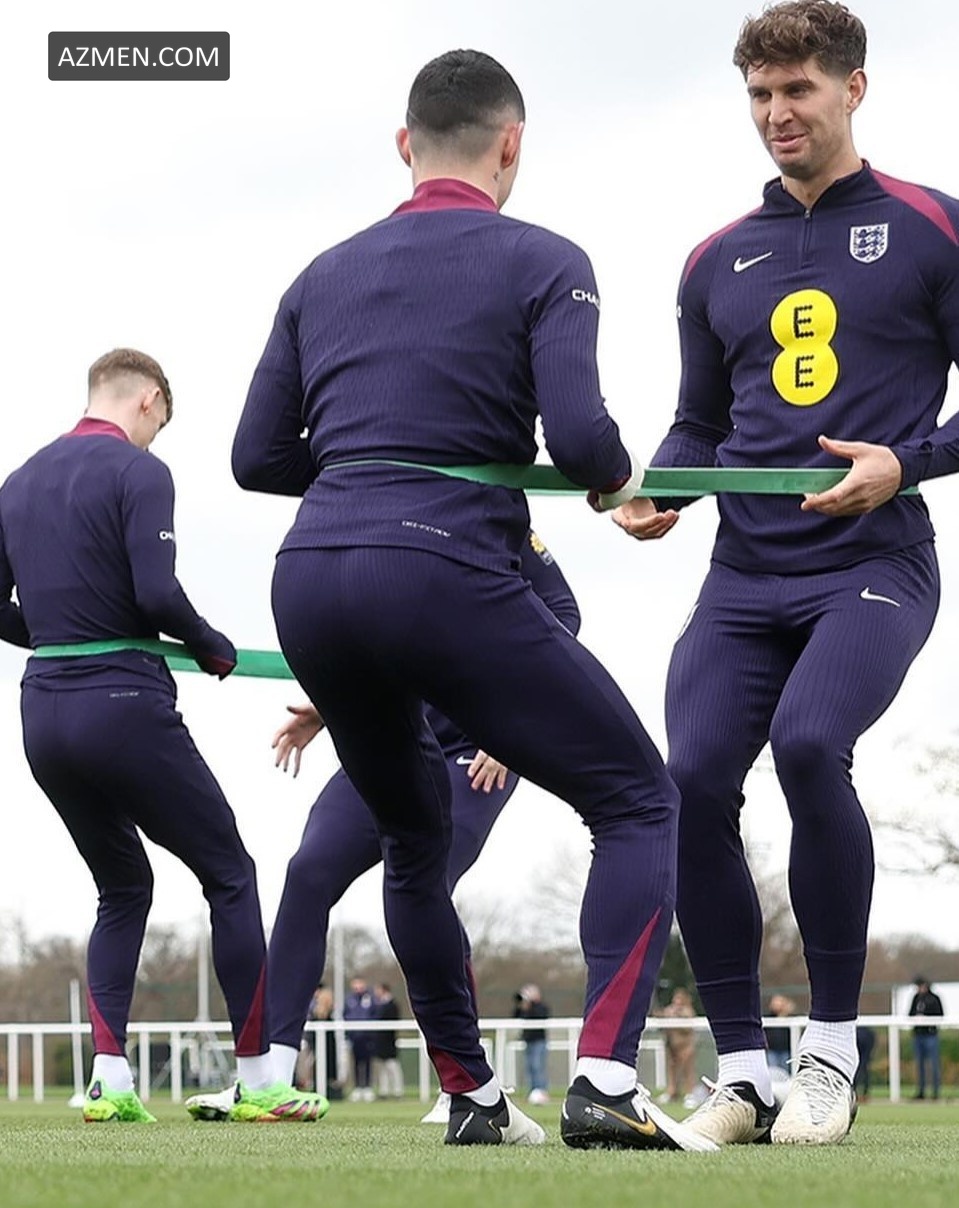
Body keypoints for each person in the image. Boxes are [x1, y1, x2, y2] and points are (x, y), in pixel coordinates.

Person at [231, 49, 714, 1152]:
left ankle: (473, 1096)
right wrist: (617, 486)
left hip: (308, 574)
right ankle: (604, 1079)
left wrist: (366, 466)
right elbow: (581, 439)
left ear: (405, 145)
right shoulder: (544, 258)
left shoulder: (319, 273)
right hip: (442, 568)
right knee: (639, 801)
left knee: (413, 839)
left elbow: (255, 457)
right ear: (511, 145)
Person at [612, 0, 959, 1147]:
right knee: (692, 776)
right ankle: (745, 1072)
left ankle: (829, 1051)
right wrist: (660, 484)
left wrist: (905, 460)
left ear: (851, 87)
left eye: (797, 88)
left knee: (809, 743)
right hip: (742, 574)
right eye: (759, 94)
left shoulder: (931, 227)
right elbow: (698, 421)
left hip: (872, 562)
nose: (776, 112)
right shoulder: (712, 258)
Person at [0, 349, 327, 1124]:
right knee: (230, 873)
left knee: (122, 888)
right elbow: (155, 591)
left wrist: (64, 635)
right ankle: (260, 1080)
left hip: (43, 712)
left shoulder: (17, 482)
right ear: (148, 399)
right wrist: (211, 646)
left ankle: (109, 1083)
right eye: (160, 424)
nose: (156, 438)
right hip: (122, 704)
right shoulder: (138, 471)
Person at [185, 529, 583, 1127]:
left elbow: (564, 614)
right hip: (393, 740)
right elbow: (375, 634)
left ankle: (466, 1083)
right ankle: (270, 1079)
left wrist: (514, 726)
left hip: (474, 756)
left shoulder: (498, 519)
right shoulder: (380, 518)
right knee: (308, 872)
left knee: (426, 885)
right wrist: (329, 708)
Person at [659, 987, 697, 1106]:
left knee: (688, 1072)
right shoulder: (669, 1010)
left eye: (679, 999)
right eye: (675, 999)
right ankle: (672, 1092)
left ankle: (690, 1094)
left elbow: (688, 1028)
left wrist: (678, 1016)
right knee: (672, 1071)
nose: (677, 1001)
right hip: (672, 1047)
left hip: (686, 1047)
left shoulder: (687, 1011)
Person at [514, 984, 551, 1105]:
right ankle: (532, 1092)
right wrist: (522, 1006)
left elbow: (542, 1015)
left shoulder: (541, 1007)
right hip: (528, 1041)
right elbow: (516, 1017)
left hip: (539, 1041)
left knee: (537, 1066)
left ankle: (542, 1092)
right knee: (530, 1068)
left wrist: (532, 1005)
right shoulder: (524, 1008)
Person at [908, 978, 944, 1100]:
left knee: (934, 1064)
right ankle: (921, 1091)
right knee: (920, 1065)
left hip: (930, 1035)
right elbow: (910, 1013)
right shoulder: (916, 998)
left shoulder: (934, 999)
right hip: (919, 1035)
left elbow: (940, 1015)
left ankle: (935, 1091)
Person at [344, 977, 376, 1101]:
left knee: (368, 1063)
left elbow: (374, 1014)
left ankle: (367, 1087)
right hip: (354, 1037)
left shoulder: (370, 999)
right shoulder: (349, 999)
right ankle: (357, 1087)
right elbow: (346, 1015)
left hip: (368, 1037)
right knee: (356, 1063)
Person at [373, 983, 405, 1100]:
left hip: (388, 1041)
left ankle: (398, 1091)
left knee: (392, 1066)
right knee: (382, 1067)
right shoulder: (379, 1004)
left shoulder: (392, 1005)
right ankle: (384, 1091)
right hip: (380, 1041)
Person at [764, 995, 797, 1073]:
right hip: (772, 1051)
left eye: (779, 1002)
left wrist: (785, 1013)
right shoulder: (767, 1018)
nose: (777, 1004)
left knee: (786, 1072)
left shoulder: (790, 1018)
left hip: (786, 1051)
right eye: (775, 1002)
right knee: (772, 1071)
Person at [854, 1024, 875, 1103]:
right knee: (864, 1066)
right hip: (866, 1034)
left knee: (857, 1066)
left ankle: (855, 1093)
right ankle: (864, 1093)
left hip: (858, 1033)